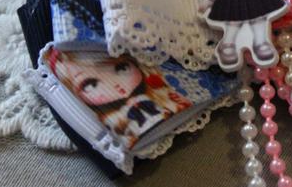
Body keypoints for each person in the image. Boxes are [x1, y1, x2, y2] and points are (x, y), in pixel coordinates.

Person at [44, 48, 192, 148]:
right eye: (90, 85)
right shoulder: (108, 120)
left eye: (122, 68)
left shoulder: (160, 89)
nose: (116, 85)